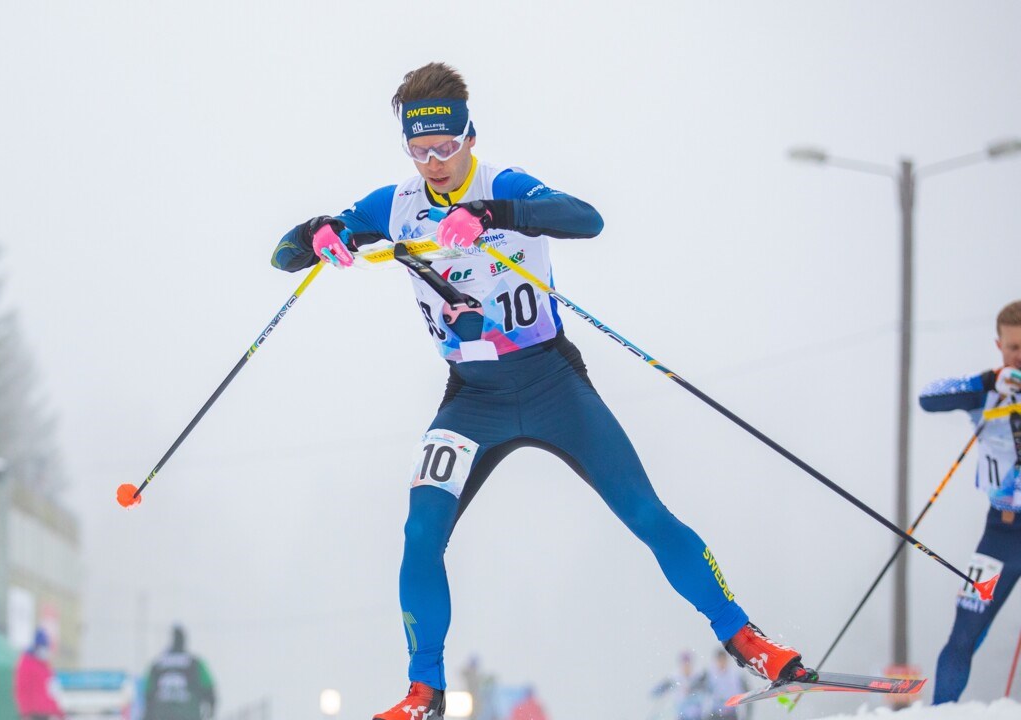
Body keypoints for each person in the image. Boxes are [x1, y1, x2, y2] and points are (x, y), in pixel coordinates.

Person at [271, 62, 804, 720]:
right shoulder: (396, 205)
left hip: (552, 382)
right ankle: (424, 691)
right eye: (420, 150)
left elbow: (587, 219)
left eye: (446, 147)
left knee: (645, 514)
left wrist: (495, 214)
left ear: (470, 137)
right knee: (419, 534)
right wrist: (320, 235)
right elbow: (284, 256)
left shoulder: (503, 184)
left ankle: (747, 640)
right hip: (472, 400)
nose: (434, 163)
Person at [920, 300, 1021, 704]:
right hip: (1001, 533)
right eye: (1013, 347)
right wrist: (988, 381)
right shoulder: (989, 391)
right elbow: (929, 398)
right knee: (964, 631)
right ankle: (940, 713)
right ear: (999, 345)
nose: (1020, 355)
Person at [143, 625, 217, 720]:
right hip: (188, 714)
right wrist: (211, 707)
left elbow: (147, 691)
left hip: (160, 714)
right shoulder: (195, 664)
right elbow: (209, 688)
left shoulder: (157, 664)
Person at [14, 628, 66, 720]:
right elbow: (22, 689)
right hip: (32, 714)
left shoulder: (45, 666)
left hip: (46, 713)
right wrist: (25, 713)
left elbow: (52, 691)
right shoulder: (26, 664)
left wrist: (59, 713)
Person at [649, 652, 708, 720]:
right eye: (684, 664)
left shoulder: (699, 677)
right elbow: (658, 689)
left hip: (697, 715)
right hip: (682, 715)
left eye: (688, 664)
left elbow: (708, 691)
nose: (686, 666)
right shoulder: (675, 678)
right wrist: (659, 690)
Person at [704, 648, 748, 719]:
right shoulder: (710, 674)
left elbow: (744, 693)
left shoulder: (735, 675)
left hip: (731, 713)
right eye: (720, 660)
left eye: (723, 660)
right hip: (716, 713)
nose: (722, 662)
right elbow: (704, 692)